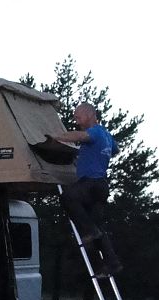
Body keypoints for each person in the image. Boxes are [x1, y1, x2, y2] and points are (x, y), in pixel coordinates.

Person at [52, 102, 122, 275]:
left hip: (91, 183)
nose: (76, 121)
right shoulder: (106, 135)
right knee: (98, 227)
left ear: (90, 114)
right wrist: (89, 156)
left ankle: (90, 230)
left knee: (67, 198)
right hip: (101, 186)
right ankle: (112, 263)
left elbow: (80, 136)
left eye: (78, 117)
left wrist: (57, 137)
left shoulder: (95, 131)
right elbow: (116, 149)